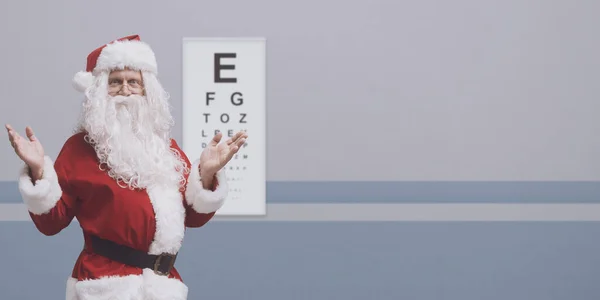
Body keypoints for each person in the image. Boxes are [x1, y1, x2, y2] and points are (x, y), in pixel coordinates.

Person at [5, 34, 247, 299]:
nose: (125, 89)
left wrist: (208, 173)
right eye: (115, 82)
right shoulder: (78, 149)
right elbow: (51, 223)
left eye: (134, 82)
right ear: (99, 91)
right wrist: (39, 171)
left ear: (148, 90)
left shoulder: (167, 150)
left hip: (163, 286)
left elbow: (194, 218)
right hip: (104, 285)